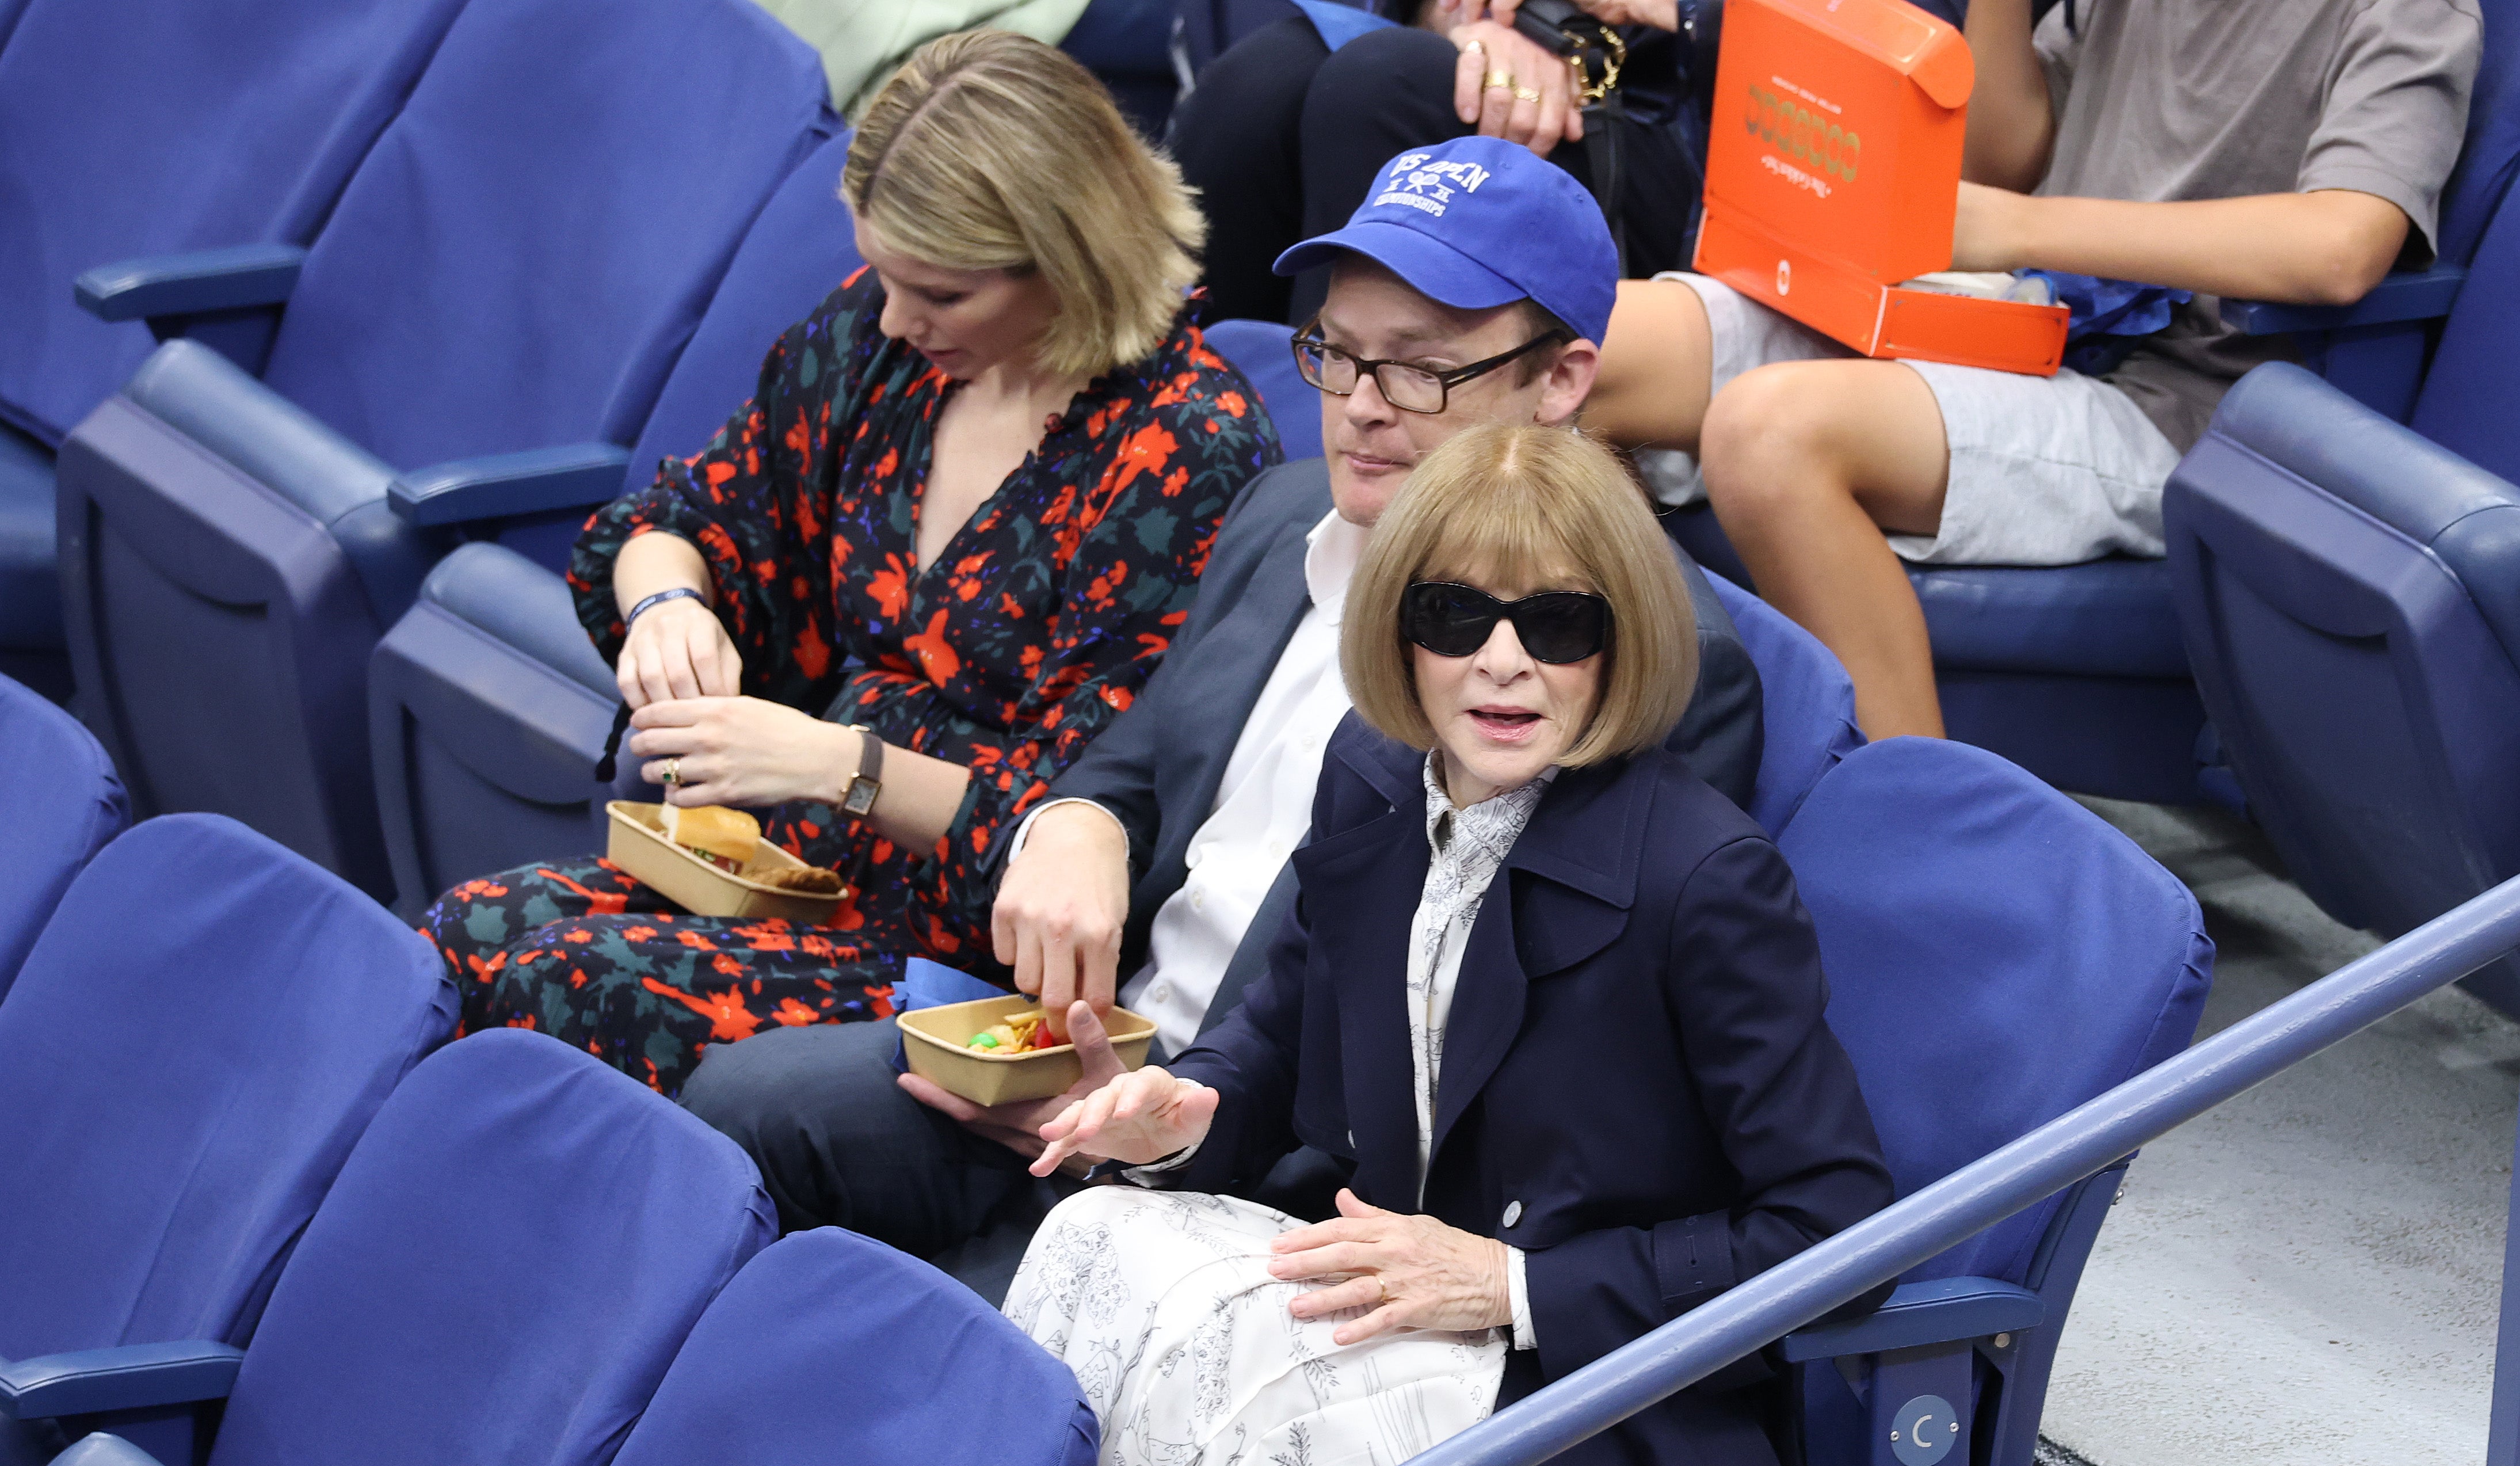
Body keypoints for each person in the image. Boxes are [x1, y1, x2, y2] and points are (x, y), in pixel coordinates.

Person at [679, 136, 1766, 1252]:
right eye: (1334, 354)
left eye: (1419, 369)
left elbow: (1479, 1039)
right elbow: (1136, 758)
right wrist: (1077, 822)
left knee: (913, 1354)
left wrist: (1167, 1116)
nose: (1359, 408)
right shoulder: (1280, 512)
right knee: (728, 1110)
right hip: (1081, 1056)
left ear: (1560, 381)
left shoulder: (1635, 653)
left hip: (1268, 1173)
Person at [994, 422, 1893, 1466]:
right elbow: (1290, 1013)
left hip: (1584, 1390)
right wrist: (1185, 1110)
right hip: (1398, 1299)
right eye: (1454, 614)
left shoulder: (1704, 880)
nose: (1502, 663)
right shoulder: (1371, 773)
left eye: (1557, 624)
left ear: (1621, 635)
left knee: (1228, 1389)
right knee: (1090, 1237)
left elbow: (1836, 1234)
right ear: (1397, 631)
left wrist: (1512, 1285)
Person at [419, 31, 1279, 1093]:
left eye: (942, 293)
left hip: (973, 964)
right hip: (794, 874)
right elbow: (688, 512)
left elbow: (1095, 820)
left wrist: (840, 765)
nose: (896, 317)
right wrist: (670, 602)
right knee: (458, 937)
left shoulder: (1185, 448)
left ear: (1072, 258)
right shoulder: (883, 347)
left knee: (571, 983)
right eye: (881, 274)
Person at [1579, 0, 2480, 740]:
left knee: (1767, 435)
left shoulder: (2408, 10)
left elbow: (2341, 244)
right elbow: (1998, 156)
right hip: (2017, 316)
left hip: (2179, 405)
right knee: (1574, 344)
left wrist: (2017, 227)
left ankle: (1918, 860)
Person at [1172, 1, 1710, 323]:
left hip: (1687, 123)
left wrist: (1686, 12)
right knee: (1264, 79)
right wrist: (1459, 19)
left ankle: (1340, 450)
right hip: (1513, 36)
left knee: (1390, 78)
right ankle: (1206, 428)